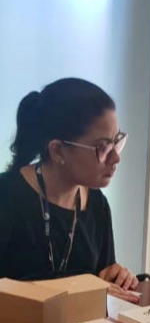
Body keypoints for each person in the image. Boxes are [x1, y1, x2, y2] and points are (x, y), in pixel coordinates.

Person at [0, 77, 140, 303]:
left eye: (117, 142)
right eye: (103, 147)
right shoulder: (7, 196)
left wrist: (117, 278)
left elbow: (101, 284)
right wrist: (76, 288)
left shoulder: (97, 204)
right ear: (57, 151)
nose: (116, 157)